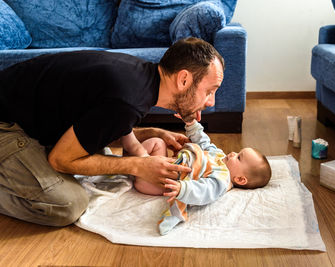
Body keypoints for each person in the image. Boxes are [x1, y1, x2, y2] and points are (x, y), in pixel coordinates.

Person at [0, 37, 224, 226]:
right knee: (68, 204)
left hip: (28, 118)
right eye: (209, 91)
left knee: (98, 154)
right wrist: (137, 165)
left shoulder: (140, 78)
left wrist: (153, 132)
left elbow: (103, 122)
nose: (211, 102)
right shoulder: (127, 100)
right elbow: (60, 160)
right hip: (6, 127)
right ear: (184, 79)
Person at [133, 119, 272, 235]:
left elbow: (204, 191)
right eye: (238, 152)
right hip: (167, 164)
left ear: (240, 179)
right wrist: (192, 125)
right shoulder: (219, 155)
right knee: (157, 142)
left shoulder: (222, 180)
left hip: (164, 181)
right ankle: (129, 162)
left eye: (239, 157)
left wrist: (182, 188)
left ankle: (129, 170)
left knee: (140, 178)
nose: (233, 153)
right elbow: (204, 143)